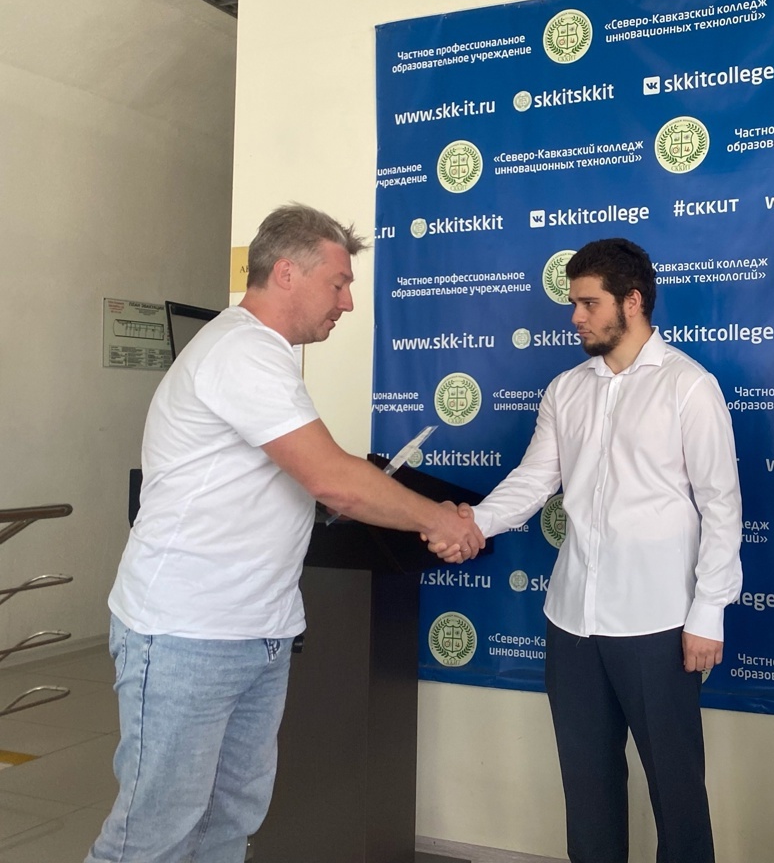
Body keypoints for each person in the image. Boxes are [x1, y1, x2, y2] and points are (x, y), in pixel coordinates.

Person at [86, 204, 485, 863]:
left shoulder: (265, 355)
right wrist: (441, 520)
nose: (347, 302)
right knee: (152, 835)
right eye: (339, 283)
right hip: (188, 634)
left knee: (227, 823)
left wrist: (394, 504)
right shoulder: (242, 350)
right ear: (288, 274)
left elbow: (308, 475)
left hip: (257, 632)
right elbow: (332, 478)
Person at [471, 237, 742, 863]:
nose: (576, 317)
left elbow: (722, 506)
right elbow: (534, 480)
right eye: (574, 303)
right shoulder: (566, 389)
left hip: (659, 622)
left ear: (633, 301)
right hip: (572, 621)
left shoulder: (689, 387)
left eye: (589, 303)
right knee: (587, 790)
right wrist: (472, 524)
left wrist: (709, 611)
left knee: (677, 790)